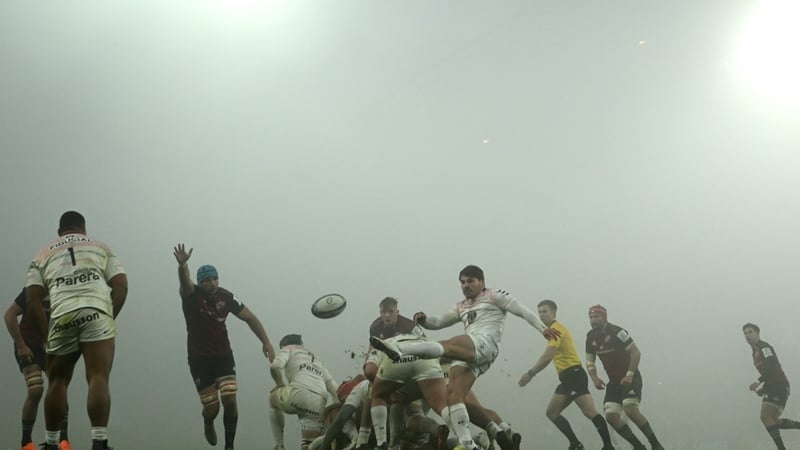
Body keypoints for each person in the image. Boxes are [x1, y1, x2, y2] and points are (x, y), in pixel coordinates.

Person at [371, 265, 559, 450]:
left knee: (449, 344)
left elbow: (523, 311)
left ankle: (401, 349)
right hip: (470, 353)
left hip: (484, 343)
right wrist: (425, 320)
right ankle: (469, 444)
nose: (465, 285)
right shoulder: (462, 306)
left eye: (470, 281)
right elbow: (439, 321)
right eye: (462, 282)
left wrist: (543, 329)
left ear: (482, 282)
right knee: (453, 395)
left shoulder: (495, 295)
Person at [26, 211, 128, 450]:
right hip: (96, 310)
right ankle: (99, 442)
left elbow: (32, 300)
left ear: (60, 231)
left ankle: (51, 444)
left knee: (58, 381)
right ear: (83, 228)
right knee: (98, 376)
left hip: (61, 315)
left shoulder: (42, 253)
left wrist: (45, 334)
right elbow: (121, 286)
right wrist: (108, 319)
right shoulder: (100, 246)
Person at [173, 243, 275, 450]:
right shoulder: (192, 296)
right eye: (207, 280)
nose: (212, 283)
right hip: (199, 360)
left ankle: (229, 446)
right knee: (212, 409)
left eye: (214, 278)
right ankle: (207, 422)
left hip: (223, 356)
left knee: (230, 399)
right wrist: (182, 266)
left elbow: (250, 317)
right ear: (200, 283)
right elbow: (185, 284)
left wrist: (266, 341)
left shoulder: (225, 297)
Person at [518, 300, 614, 450]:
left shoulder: (556, 329)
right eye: (540, 312)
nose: (542, 315)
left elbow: (548, 355)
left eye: (545, 311)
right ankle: (576, 444)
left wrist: (531, 373)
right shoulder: (551, 330)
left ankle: (608, 446)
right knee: (552, 412)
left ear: (554, 313)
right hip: (567, 377)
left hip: (573, 374)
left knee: (589, 412)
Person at [585, 304, 664, 450]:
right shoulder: (590, 337)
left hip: (630, 378)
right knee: (611, 416)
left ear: (604, 317)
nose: (593, 320)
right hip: (614, 382)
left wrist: (629, 375)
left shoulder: (618, 332)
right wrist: (594, 378)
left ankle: (656, 444)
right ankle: (638, 446)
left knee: (630, 409)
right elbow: (589, 361)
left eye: (596, 317)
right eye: (590, 317)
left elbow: (635, 352)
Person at [5, 288, 71, 450]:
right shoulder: (32, 289)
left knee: (58, 387)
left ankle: (63, 439)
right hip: (29, 345)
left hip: (52, 346)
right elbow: (10, 315)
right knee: (35, 390)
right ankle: (26, 441)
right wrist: (21, 346)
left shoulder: (65, 289)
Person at [269, 333, 340, 450]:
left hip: (297, 394)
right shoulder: (317, 360)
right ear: (301, 344)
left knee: (272, 399)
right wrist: (336, 413)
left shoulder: (287, 350)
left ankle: (279, 444)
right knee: (308, 445)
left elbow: (274, 367)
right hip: (318, 402)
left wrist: (279, 385)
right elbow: (335, 389)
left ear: (282, 345)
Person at [743, 323, 800, 449]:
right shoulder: (754, 351)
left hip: (779, 385)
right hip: (773, 385)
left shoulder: (764, 347)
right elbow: (768, 373)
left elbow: (771, 367)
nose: (747, 335)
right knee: (772, 420)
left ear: (757, 333)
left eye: (750, 332)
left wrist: (758, 381)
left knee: (765, 416)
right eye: (745, 333)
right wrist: (763, 389)